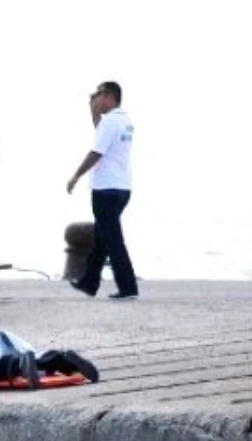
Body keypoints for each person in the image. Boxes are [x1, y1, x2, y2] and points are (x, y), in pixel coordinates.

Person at [66, 81, 138, 300]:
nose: (96, 99)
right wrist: (93, 113)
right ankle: (89, 282)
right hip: (122, 187)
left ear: (108, 96)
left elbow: (96, 151)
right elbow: (102, 135)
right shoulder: (124, 120)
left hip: (106, 189)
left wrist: (76, 176)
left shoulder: (111, 122)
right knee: (101, 238)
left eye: (98, 95)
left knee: (113, 240)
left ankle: (128, 287)